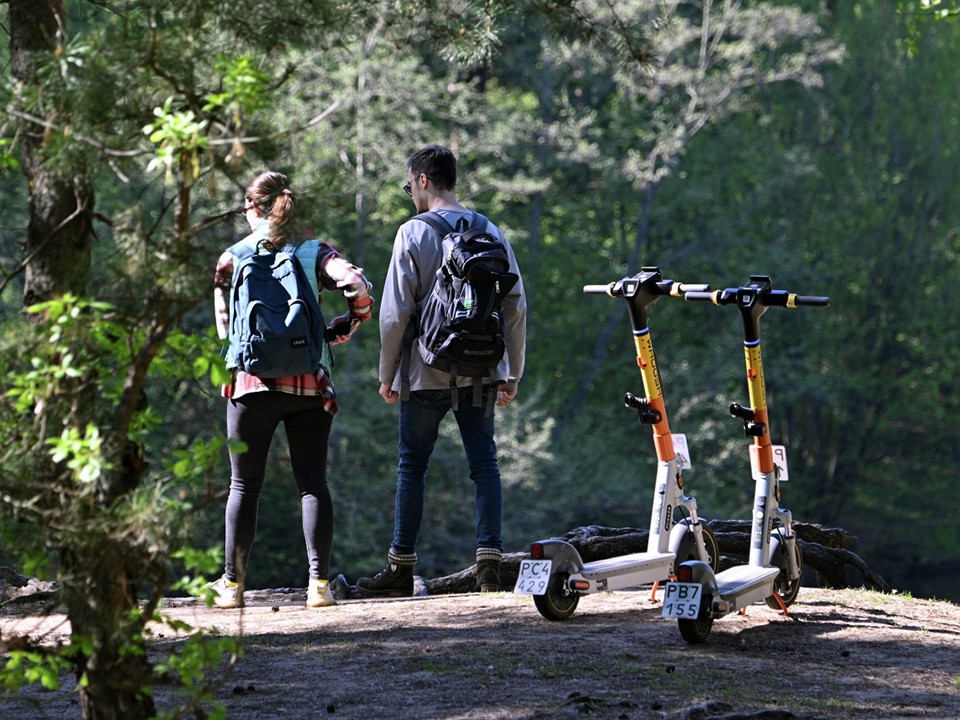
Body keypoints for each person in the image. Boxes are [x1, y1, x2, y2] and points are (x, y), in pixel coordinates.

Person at [356, 145, 526, 597]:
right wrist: (511, 370)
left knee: (412, 466)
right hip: (481, 371)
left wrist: (387, 372)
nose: (410, 191)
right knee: (484, 464)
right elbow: (515, 305)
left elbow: (394, 313)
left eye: (409, 184)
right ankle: (490, 563)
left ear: (424, 181)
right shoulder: (490, 230)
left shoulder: (412, 233)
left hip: (424, 370)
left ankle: (399, 569)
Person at [206, 171, 374, 609]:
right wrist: (345, 326)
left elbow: (226, 331)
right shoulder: (313, 250)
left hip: (250, 385)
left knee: (243, 486)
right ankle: (318, 586)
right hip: (309, 382)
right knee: (313, 484)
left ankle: (232, 586)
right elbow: (357, 286)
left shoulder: (232, 257)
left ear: (253, 207)